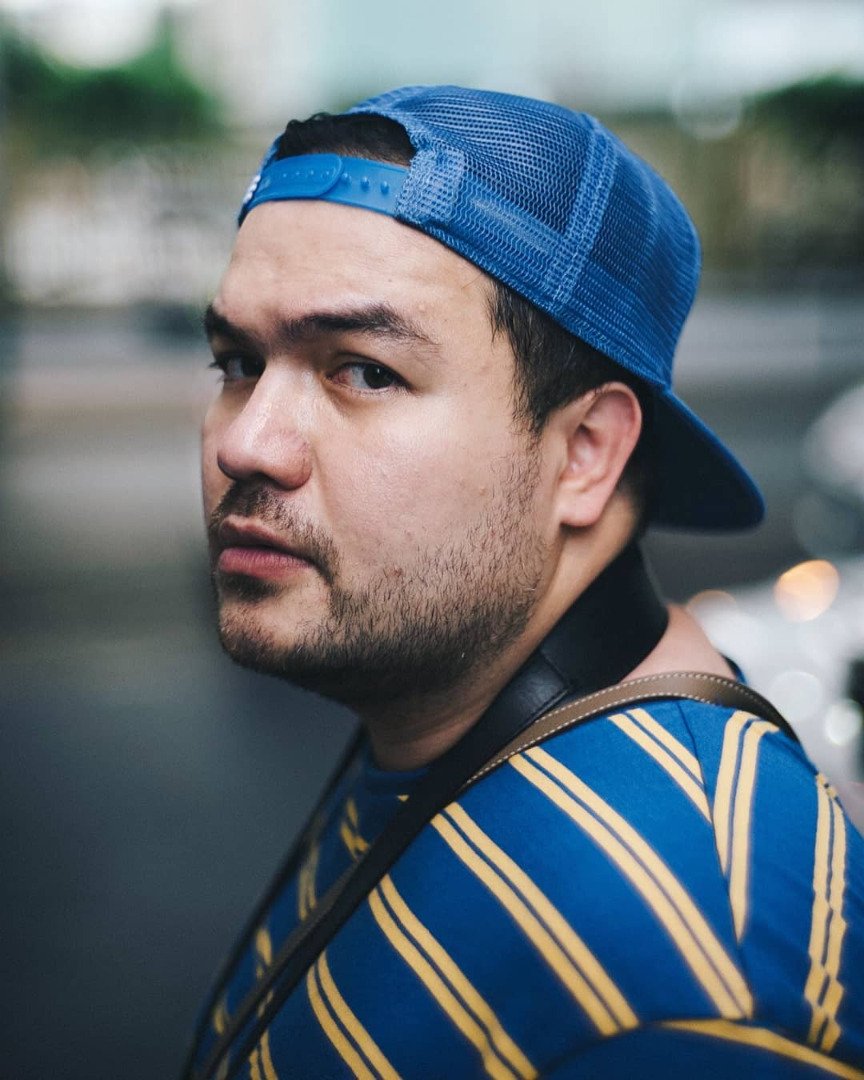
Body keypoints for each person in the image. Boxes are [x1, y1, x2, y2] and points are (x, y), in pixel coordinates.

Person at [185, 86, 864, 1079]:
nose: (246, 444)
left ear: (585, 452)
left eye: (363, 370)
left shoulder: (688, 992)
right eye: (238, 361)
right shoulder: (448, 725)